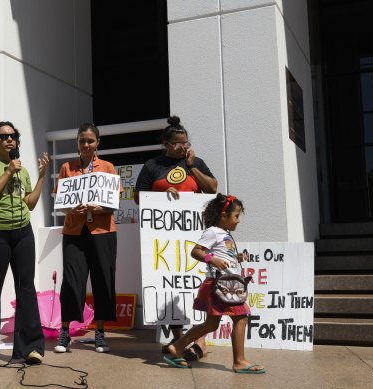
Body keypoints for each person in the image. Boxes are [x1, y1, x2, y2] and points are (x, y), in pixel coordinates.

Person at [134, 115, 217, 360]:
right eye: (178, 143)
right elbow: (139, 197)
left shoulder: (196, 162)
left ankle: (192, 339)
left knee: (193, 281)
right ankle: (179, 337)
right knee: (169, 281)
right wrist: (161, 195)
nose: (183, 147)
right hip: (165, 238)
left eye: (186, 142)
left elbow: (212, 188)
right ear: (167, 144)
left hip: (192, 234)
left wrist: (192, 167)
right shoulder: (152, 166)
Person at [0, 121, 49, 367]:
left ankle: (31, 348)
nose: (9, 140)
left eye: (13, 136)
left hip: (22, 233)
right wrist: (7, 172)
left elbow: (30, 203)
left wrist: (40, 178)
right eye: (3, 136)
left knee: (26, 288)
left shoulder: (23, 170)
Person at [164, 194, 265, 373]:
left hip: (226, 287)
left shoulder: (224, 234)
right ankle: (239, 361)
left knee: (211, 324)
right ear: (223, 215)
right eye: (236, 216)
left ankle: (178, 347)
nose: (238, 221)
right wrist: (212, 259)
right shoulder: (213, 232)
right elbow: (196, 252)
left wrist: (237, 257)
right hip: (222, 286)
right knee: (240, 318)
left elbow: (223, 254)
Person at [53, 123, 120, 354]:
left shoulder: (108, 167)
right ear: (77, 142)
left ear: (97, 143)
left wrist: (98, 207)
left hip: (103, 232)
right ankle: (64, 331)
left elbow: (114, 204)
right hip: (74, 232)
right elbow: (61, 204)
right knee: (71, 281)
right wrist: (71, 210)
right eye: (82, 140)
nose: (86, 145)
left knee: (103, 279)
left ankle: (100, 333)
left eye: (90, 141)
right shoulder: (66, 167)